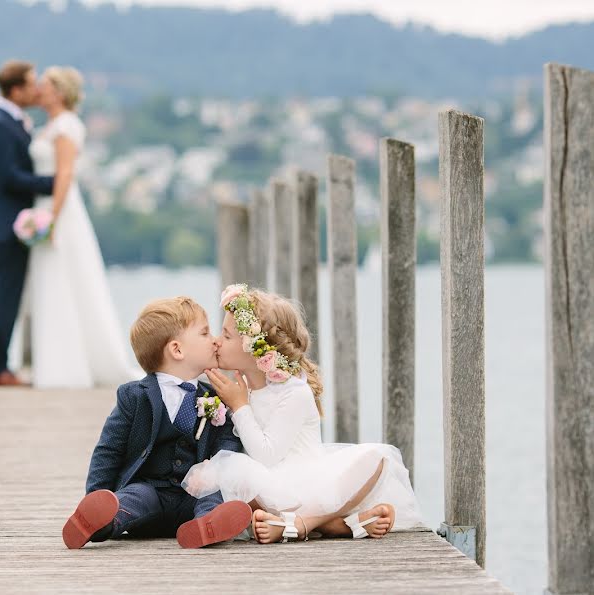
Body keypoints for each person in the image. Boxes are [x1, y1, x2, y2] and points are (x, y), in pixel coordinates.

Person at [183, 284, 424, 543]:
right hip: (271, 485)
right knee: (229, 474)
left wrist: (239, 407)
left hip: (305, 482)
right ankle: (335, 525)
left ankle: (303, 525)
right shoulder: (246, 388)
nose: (218, 341)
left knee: (377, 458)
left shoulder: (293, 392)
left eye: (227, 336)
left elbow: (266, 456)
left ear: (255, 349)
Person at [61, 297, 251, 549]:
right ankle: (102, 522)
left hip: (191, 496)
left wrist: (212, 469)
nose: (215, 340)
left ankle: (206, 526)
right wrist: (97, 496)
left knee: (212, 495)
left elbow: (229, 438)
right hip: (150, 493)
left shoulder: (216, 396)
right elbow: (109, 448)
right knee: (133, 498)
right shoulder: (134, 396)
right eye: (205, 333)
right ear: (177, 350)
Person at [25, 66, 137, 388]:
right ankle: (54, 361)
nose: (39, 91)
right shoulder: (51, 125)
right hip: (45, 206)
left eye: (45, 86)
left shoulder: (66, 126)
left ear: (59, 92)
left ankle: (69, 365)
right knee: (51, 281)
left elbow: (64, 175)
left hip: (58, 209)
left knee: (66, 278)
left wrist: (51, 217)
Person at [0, 60, 53, 386]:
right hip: (6, 225)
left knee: (10, 296)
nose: (36, 90)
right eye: (32, 83)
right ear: (16, 90)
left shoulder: (13, 121)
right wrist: (53, 183)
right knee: (4, 297)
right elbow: (6, 177)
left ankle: (0, 365)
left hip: (17, 224)